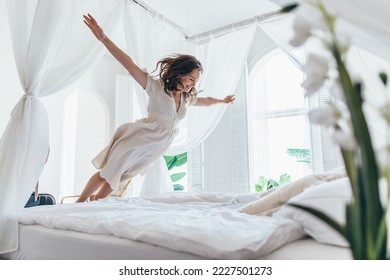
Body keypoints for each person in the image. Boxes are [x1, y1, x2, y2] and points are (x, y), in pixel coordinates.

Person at [76, 14, 235, 202]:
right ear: (180, 73)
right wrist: (103, 38)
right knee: (109, 173)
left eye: (195, 81)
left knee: (119, 177)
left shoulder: (186, 98)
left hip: (155, 146)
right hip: (139, 138)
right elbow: (129, 64)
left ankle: (94, 203)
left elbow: (206, 100)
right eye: (191, 79)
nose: (192, 84)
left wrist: (222, 101)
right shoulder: (156, 87)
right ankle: (79, 202)